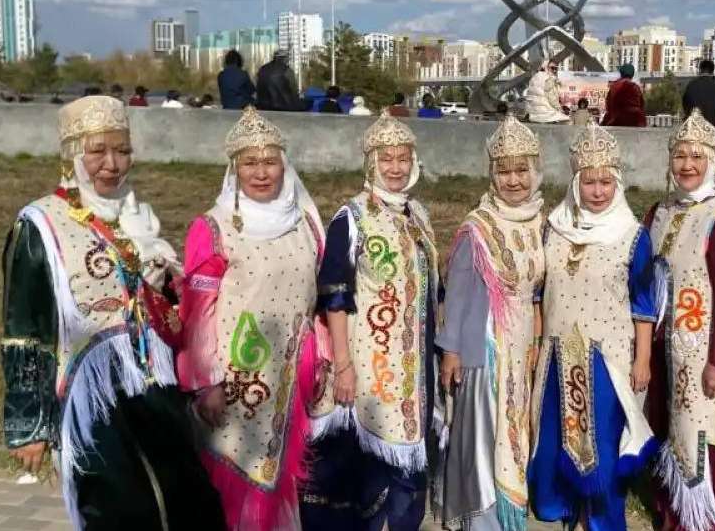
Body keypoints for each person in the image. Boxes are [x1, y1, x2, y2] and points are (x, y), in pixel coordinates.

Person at [0, 96, 224, 529]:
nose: (112, 163)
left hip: (152, 383)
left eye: (122, 150)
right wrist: (29, 424)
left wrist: (166, 286)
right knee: (117, 505)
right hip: (90, 393)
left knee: (187, 496)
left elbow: (165, 309)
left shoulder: (138, 217)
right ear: (72, 155)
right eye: (98, 150)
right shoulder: (40, 224)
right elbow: (25, 329)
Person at [177, 107, 325, 530]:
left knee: (280, 480)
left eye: (270, 162)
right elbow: (198, 314)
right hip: (237, 379)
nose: (261, 173)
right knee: (237, 483)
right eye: (250, 163)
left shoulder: (304, 222)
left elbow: (313, 297)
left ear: (284, 165)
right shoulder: (213, 228)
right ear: (234, 169)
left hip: (289, 376)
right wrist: (205, 382)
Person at [301, 111, 440, 531]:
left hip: (414, 372)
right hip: (369, 369)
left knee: (408, 479)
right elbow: (335, 297)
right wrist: (343, 365)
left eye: (402, 158)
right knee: (366, 476)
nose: (395, 168)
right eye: (386, 159)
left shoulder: (419, 214)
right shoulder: (352, 218)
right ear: (371, 163)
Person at [527, 122, 660, 531]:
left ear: (616, 183)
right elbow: (539, 290)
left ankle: (600, 520)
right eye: (590, 183)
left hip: (607, 360)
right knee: (555, 437)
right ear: (576, 183)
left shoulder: (633, 235)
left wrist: (643, 358)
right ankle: (564, 510)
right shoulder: (554, 226)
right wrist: (534, 343)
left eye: (605, 182)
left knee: (599, 444)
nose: (598, 191)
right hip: (555, 355)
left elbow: (644, 305)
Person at [438, 114, 545, 531]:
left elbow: (537, 291)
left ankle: (510, 510)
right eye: (505, 172)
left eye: (522, 171)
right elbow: (459, 293)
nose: (514, 181)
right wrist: (452, 352)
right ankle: (482, 518)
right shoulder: (477, 227)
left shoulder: (540, 221)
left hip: (522, 347)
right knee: (485, 435)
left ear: (535, 172)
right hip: (485, 348)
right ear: (492, 175)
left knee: (514, 432)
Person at [645, 110, 715, 531]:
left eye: (697, 157)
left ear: (712, 162)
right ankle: (672, 510)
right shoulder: (660, 212)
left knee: (703, 432)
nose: (687, 165)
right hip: (664, 347)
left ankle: (707, 519)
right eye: (680, 155)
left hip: (702, 352)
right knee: (669, 425)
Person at [683, 60, 715, 130]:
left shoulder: (691, 85)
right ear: (713, 72)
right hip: (713, 128)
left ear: (700, 70)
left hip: (695, 127)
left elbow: (685, 105)